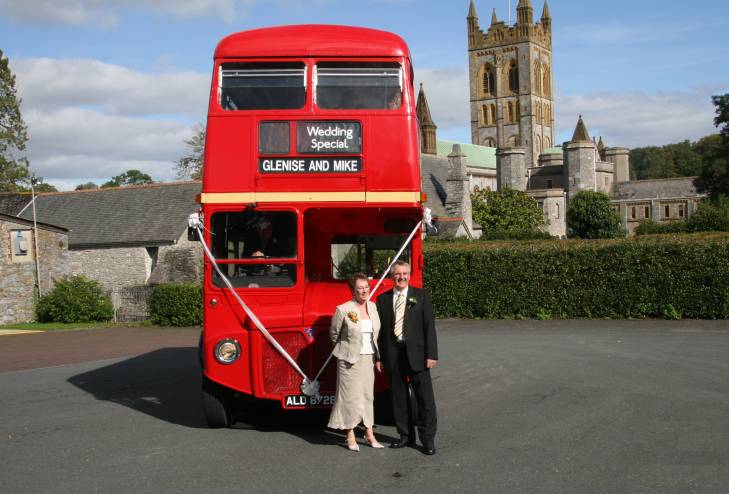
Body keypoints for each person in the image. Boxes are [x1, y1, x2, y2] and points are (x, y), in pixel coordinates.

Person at [376, 260, 438, 455]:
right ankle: (405, 436)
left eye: (405, 273)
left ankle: (427, 440)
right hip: (393, 355)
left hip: (418, 355)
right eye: (398, 274)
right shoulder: (383, 299)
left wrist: (432, 355)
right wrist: (379, 357)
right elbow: (380, 333)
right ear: (392, 277)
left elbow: (429, 327)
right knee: (399, 399)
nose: (402, 277)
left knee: (425, 400)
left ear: (409, 275)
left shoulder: (421, 296)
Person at [328, 273, 384, 452]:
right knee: (349, 399)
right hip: (349, 361)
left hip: (369, 359)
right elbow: (334, 335)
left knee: (368, 396)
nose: (364, 290)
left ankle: (369, 434)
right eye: (360, 287)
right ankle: (350, 435)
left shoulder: (374, 307)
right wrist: (347, 349)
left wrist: (378, 357)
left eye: (366, 286)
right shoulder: (343, 309)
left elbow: (376, 334)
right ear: (352, 290)